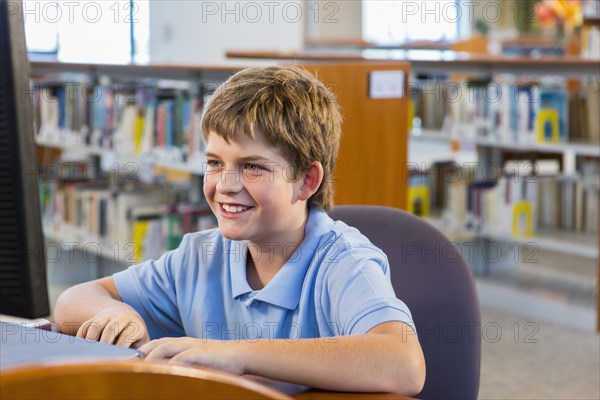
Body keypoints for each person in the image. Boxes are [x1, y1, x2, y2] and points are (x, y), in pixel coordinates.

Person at [54, 66, 425, 395]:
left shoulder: (343, 262)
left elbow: (403, 363)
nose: (226, 184)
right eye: (214, 163)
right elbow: (74, 299)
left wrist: (237, 354)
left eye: (252, 167)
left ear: (306, 181)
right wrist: (116, 315)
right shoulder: (200, 256)